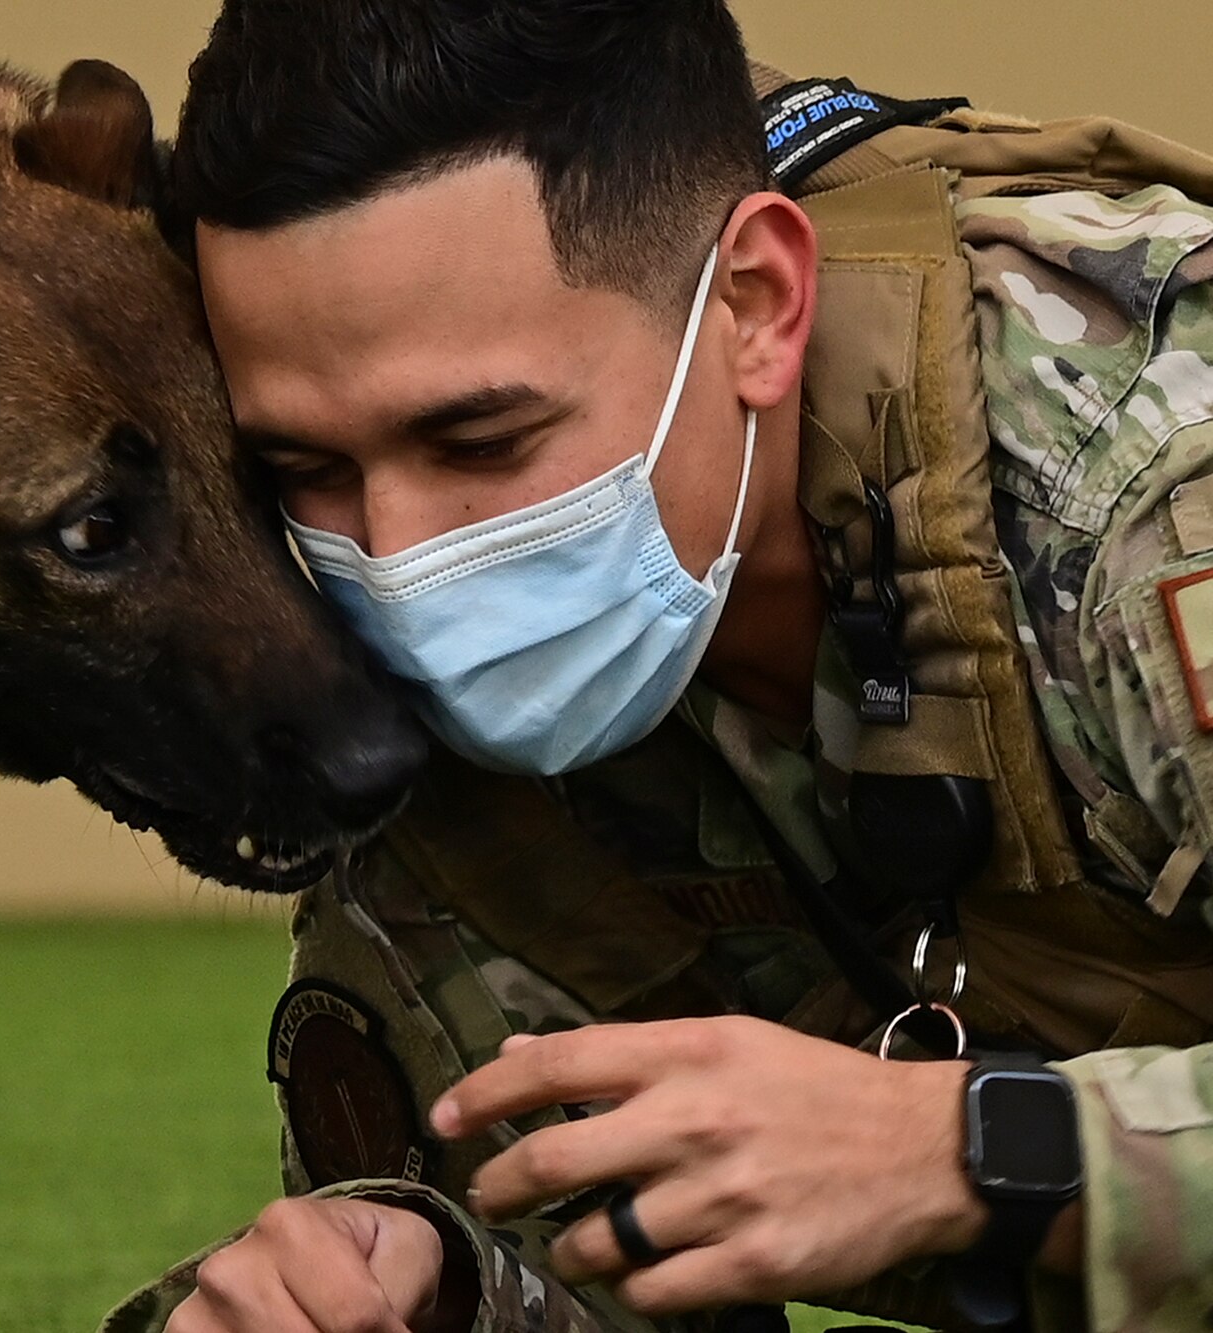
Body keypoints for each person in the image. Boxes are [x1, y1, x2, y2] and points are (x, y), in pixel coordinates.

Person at [97, 3, 1213, 1332]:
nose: (399, 564)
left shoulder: (1150, 480)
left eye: (485, 439)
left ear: (756, 308)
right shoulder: (360, 668)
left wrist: (978, 1149)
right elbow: (585, 1266)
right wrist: (421, 1292)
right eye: (309, 467)